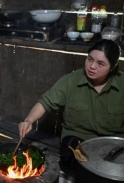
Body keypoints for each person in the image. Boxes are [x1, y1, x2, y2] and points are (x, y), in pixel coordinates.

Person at [18, 39, 124, 171]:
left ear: (113, 67)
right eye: (90, 59)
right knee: (77, 161)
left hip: (113, 143)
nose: (92, 66)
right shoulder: (70, 81)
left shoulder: (122, 84)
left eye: (100, 63)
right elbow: (45, 102)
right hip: (78, 138)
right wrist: (29, 120)